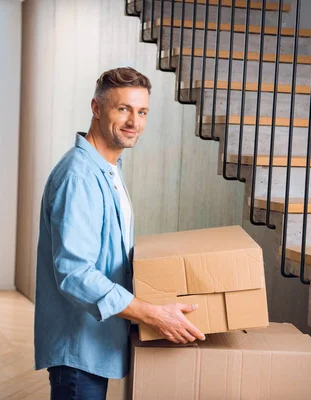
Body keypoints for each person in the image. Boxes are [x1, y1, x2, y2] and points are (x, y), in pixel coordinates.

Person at [33, 67, 206, 400]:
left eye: (142, 112)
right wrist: (153, 314)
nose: (134, 122)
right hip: (78, 348)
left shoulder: (108, 170)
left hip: (98, 341)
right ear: (97, 109)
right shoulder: (80, 178)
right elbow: (75, 274)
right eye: (123, 109)